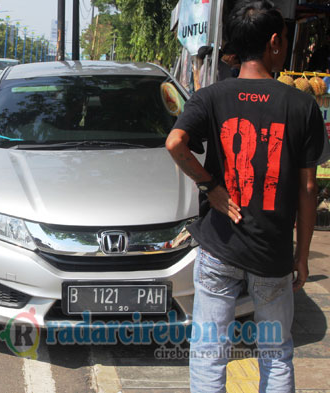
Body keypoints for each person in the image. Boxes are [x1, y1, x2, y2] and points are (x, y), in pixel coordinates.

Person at [165, 1, 325, 392]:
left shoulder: (211, 96)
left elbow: (175, 144)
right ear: (273, 42)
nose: (285, 45)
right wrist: (301, 256)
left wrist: (211, 187)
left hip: (220, 244)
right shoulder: (302, 105)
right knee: (276, 354)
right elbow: (307, 189)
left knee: (209, 351)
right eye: (285, 39)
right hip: (271, 252)